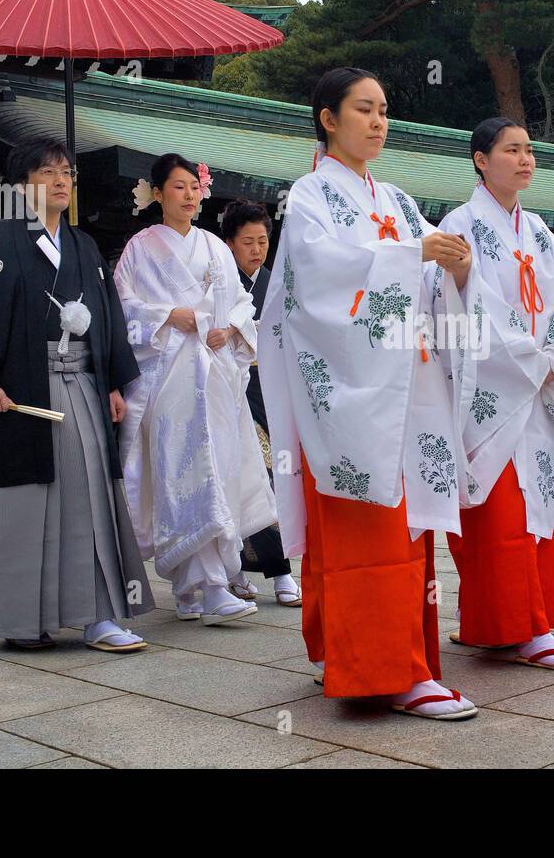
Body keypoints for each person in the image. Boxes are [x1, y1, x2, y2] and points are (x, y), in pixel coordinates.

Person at [258, 66, 479, 720]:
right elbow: (320, 283)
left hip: (406, 383)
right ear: (328, 118)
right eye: (364, 109)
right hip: (353, 390)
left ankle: (385, 654)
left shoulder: (399, 202)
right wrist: (412, 256)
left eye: (384, 109)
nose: (379, 121)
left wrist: (455, 271)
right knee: (371, 531)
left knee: (403, 530)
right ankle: (388, 670)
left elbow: (430, 283)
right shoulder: (307, 197)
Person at [0, 138, 153, 651]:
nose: (61, 181)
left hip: (81, 383)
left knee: (90, 496)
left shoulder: (84, 246)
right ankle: (25, 619)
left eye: (67, 172)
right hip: (19, 389)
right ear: (22, 184)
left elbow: (107, 316)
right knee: (24, 502)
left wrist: (110, 379)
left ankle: (100, 616)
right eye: (47, 172)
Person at [437, 117, 554, 669]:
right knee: (498, 511)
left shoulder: (544, 239)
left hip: (540, 391)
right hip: (490, 393)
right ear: (481, 160)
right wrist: (533, 360)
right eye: (512, 150)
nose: (526, 159)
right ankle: (515, 627)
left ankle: (527, 622)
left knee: (537, 506)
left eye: (529, 150)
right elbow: (462, 308)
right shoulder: (458, 227)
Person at [115, 154, 278, 624]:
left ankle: (197, 590)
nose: (188, 196)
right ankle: (203, 587)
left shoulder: (213, 246)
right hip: (170, 378)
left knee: (219, 471)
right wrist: (170, 316)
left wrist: (227, 327)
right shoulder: (140, 248)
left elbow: (243, 304)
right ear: (158, 193)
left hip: (216, 376)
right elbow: (125, 306)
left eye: (194, 187)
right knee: (183, 475)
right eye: (178, 187)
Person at [221, 198, 301, 606]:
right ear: (230, 243)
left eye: (262, 241)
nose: (256, 250)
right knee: (239, 479)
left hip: (271, 388)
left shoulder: (277, 281)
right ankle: (234, 568)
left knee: (274, 481)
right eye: (247, 241)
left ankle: (281, 569)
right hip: (231, 386)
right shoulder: (220, 279)